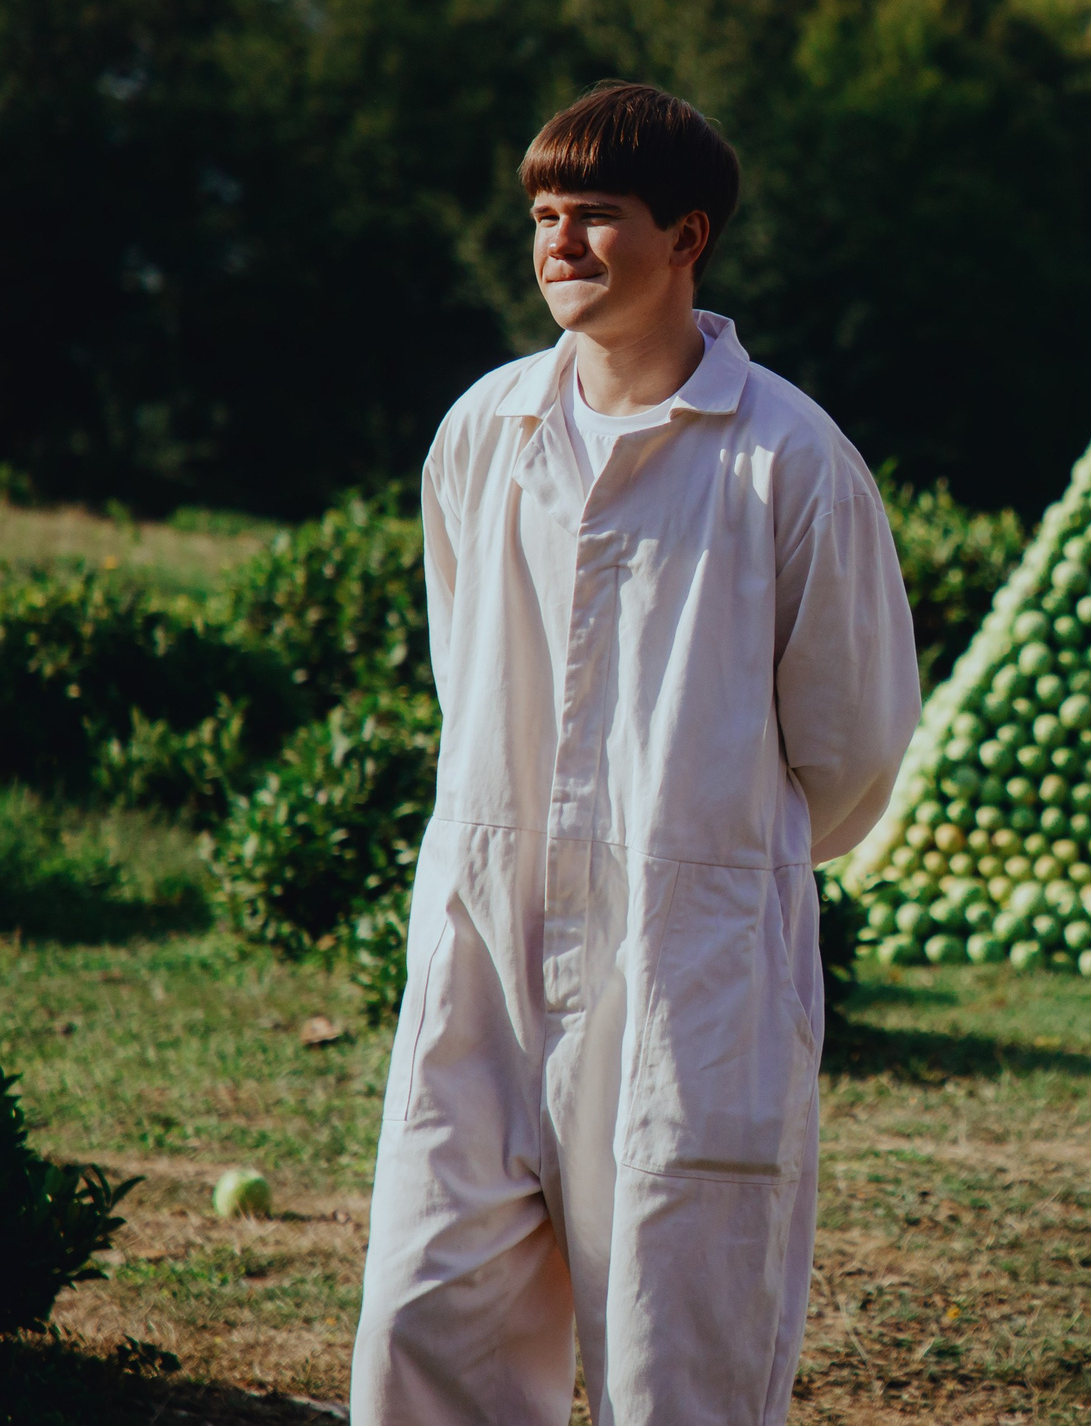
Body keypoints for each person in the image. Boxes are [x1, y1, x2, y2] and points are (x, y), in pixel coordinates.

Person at [349, 82, 920, 1425]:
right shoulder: (483, 433)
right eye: (545, 215)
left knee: (684, 1366)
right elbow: (464, 667)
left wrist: (711, 857)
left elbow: (852, 746)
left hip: (689, 973)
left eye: (596, 216)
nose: (559, 242)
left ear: (687, 236)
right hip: (481, 951)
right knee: (428, 1333)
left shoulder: (787, 460)